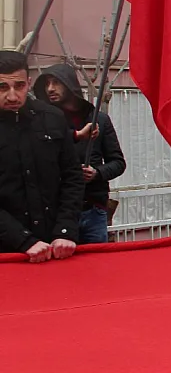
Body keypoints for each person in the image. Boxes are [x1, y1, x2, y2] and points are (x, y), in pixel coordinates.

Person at [0, 50, 83, 262]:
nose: (12, 96)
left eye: (19, 86)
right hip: (7, 252)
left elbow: (72, 176)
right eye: (2, 87)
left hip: (56, 246)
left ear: (28, 83)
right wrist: (23, 240)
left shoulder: (52, 118)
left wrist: (65, 230)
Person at [33, 63, 126, 244]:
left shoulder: (99, 119)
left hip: (93, 209)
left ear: (69, 84)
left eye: (56, 83)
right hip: (58, 211)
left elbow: (118, 162)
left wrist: (97, 173)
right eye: (47, 84)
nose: (50, 89)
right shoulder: (44, 121)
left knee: (96, 266)